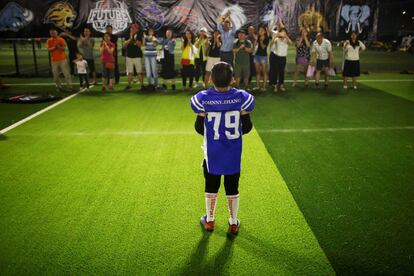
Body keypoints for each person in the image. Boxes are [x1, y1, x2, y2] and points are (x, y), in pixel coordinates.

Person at [190, 62, 254, 235]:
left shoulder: (203, 99)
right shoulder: (242, 98)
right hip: (233, 153)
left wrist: (203, 114)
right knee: (232, 186)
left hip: (212, 154)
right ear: (232, 80)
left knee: (211, 185)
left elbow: (198, 128)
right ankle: (233, 223)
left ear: (211, 79)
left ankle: (210, 221)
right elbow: (247, 128)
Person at [46, 27, 73, 92]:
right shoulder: (49, 40)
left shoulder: (61, 39)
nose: (52, 33)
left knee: (66, 74)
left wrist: (58, 46)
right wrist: (54, 47)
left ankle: (70, 86)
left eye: (54, 32)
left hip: (62, 59)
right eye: (51, 33)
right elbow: (49, 50)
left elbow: (64, 49)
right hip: (54, 60)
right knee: (55, 75)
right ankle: (58, 87)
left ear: (56, 32)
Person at [269, 28, 291, 92]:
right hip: (276, 57)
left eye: (284, 32)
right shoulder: (277, 39)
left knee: (281, 72)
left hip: (283, 58)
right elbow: (271, 44)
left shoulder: (286, 40)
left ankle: (281, 85)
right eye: (282, 32)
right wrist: (276, 35)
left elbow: (290, 43)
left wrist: (285, 36)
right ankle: (275, 86)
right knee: (275, 72)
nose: (283, 33)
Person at [124, 23, 144, 91]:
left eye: (134, 28)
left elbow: (140, 45)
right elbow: (125, 44)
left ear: (137, 29)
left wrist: (135, 39)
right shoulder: (128, 35)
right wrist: (131, 38)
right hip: (129, 56)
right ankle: (129, 85)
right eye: (132, 28)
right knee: (129, 72)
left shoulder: (139, 36)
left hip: (137, 56)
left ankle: (142, 85)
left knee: (139, 72)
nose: (132, 29)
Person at [254, 25, 269, 90]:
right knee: (258, 72)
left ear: (264, 31)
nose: (260, 31)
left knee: (264, 72)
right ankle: (257, 86)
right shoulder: (258, 37)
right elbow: (254, 46)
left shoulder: (266, 38)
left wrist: (261, 41)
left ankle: (264, 86)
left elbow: (263, 47)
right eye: (259, 30)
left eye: (262, 30)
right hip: (257, 55)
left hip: (263, 56)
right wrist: (256, 39)